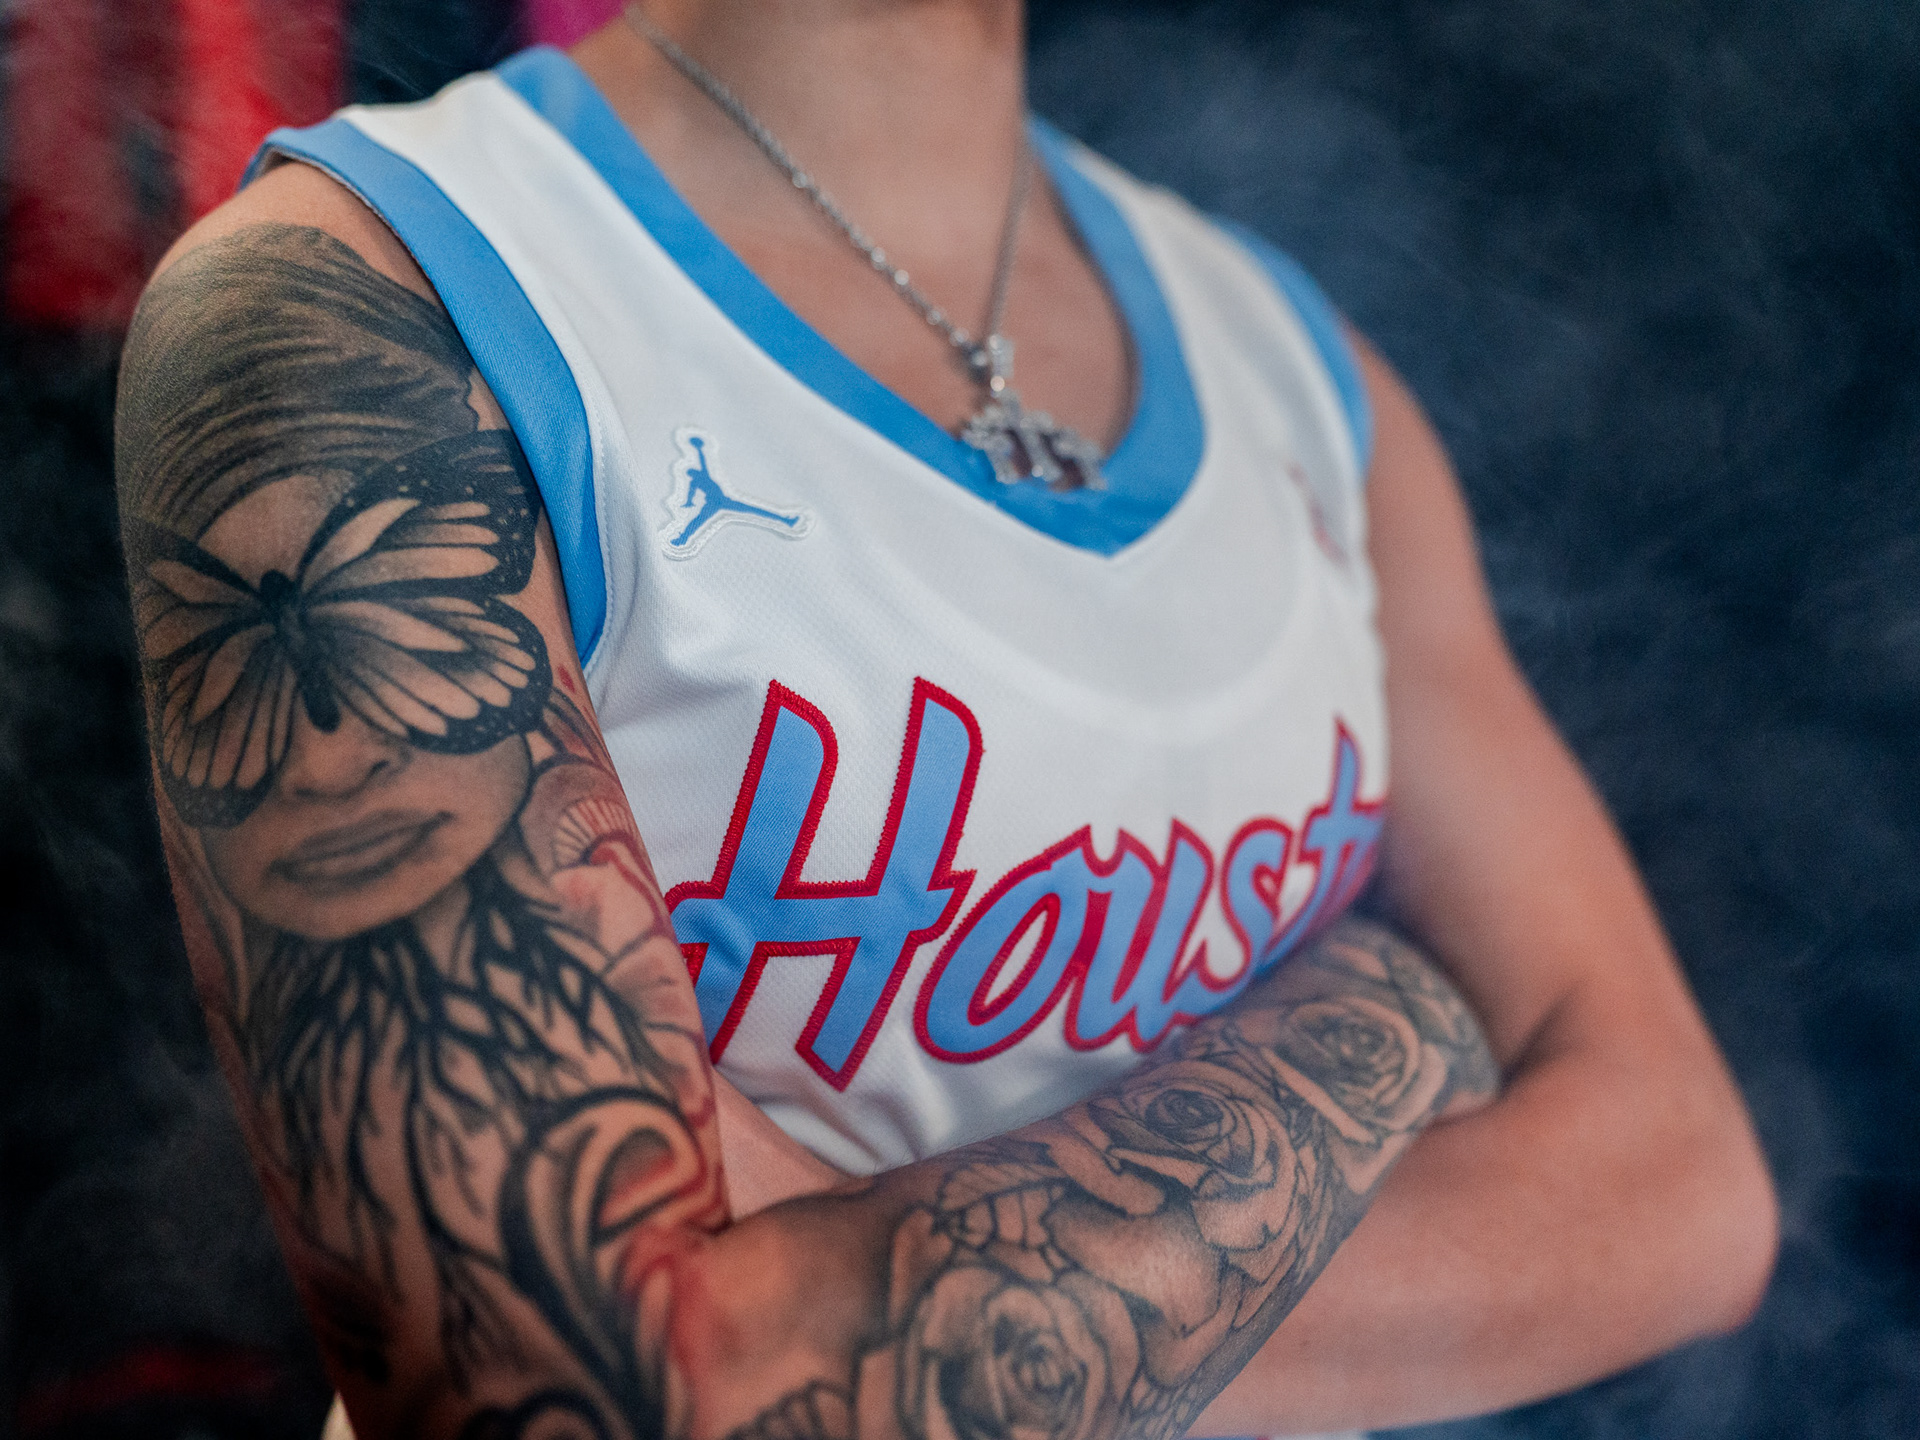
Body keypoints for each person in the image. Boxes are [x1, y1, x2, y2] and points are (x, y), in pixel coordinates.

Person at [114, 4, 1778, 1438]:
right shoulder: (350, 302)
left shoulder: (1295, 362)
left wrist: (842, 1290)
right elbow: (600, 1394)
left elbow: (1688, 1185)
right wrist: (1383, 1015)